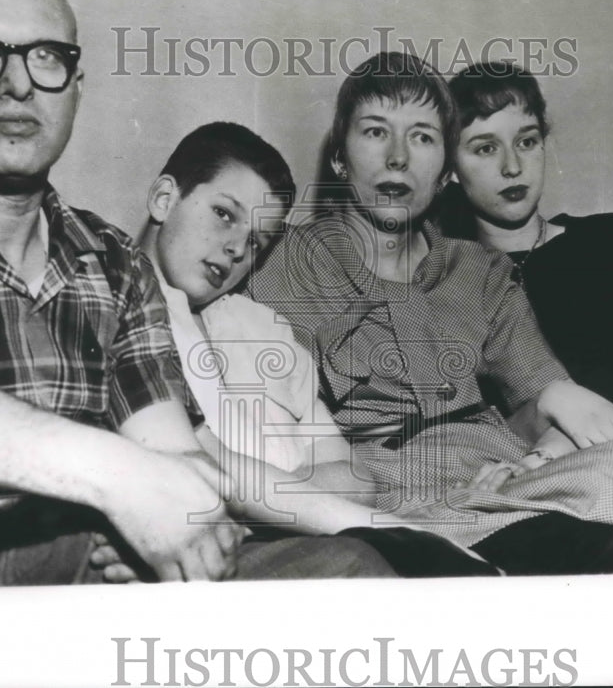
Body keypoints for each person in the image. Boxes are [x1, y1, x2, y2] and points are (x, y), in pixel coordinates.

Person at [0, 0, 392, 588]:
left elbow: (175, 454)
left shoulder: (112, 260)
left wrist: (399, 535)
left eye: (47, 55)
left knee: (359, 572)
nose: (18, 84)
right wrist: (119, 482)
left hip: (96, 576)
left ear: (76, 90)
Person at [247, 52, 613, 575]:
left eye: (422, 138)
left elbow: (535, 395)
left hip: (501, 478)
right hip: (386, 494)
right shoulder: (286, 264)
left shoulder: (479, 270)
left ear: (443, 173)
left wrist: (526, 453)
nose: (397, 159)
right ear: (341, 159)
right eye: (375, 132)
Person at [91, 121, 502, 580]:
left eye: (255, 242)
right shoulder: (115, 293)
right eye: (224, 214)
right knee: (368, 568)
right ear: (164, 199)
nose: (233, 249)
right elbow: (199, 460)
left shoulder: (267, 330)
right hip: (227, 548)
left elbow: (354, 479)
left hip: (267, 539)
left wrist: (254, 508)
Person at [438, 62, 613, 428]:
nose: (513, 166)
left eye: (527, 142)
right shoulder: (449, 281)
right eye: (486, 149)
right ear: (451, 167)